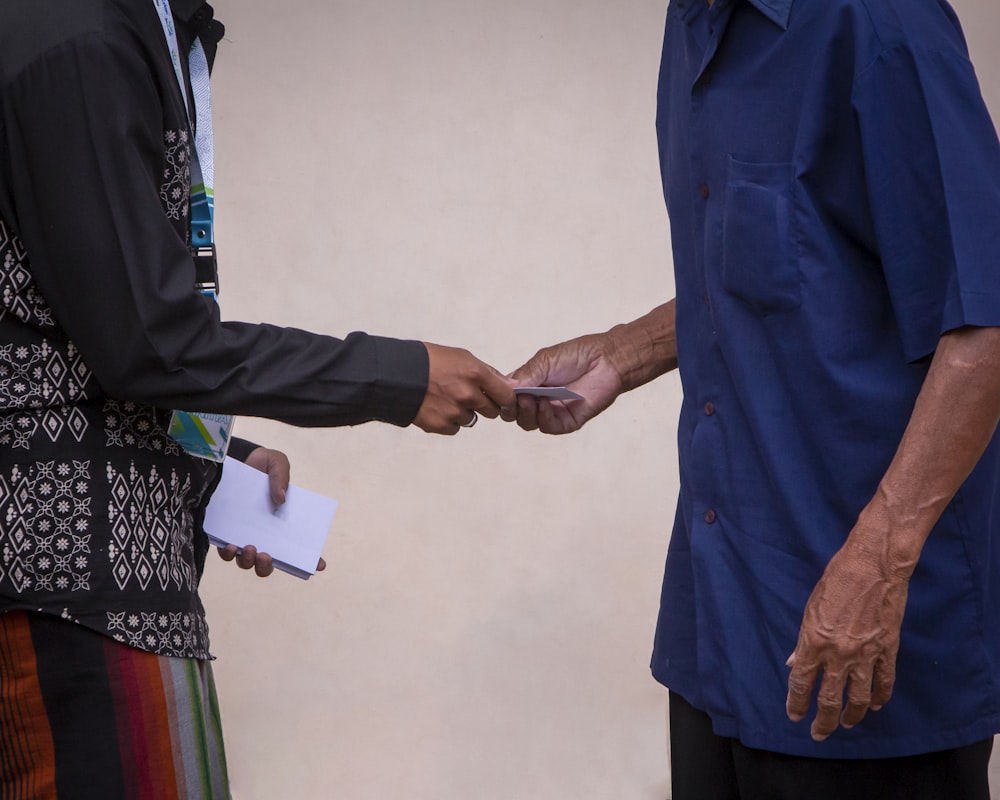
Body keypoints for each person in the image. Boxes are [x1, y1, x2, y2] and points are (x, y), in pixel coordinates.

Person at [0, 0, 515, 796]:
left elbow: (66, 329)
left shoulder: (151, 26)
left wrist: (208, 460)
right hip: (69, 586)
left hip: (105, 584)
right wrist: (396, 377)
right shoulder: (76, 30)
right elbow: (148, 338)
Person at [507, 0, 1000, 797]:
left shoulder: (884, 23)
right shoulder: (692, 23)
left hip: (867, 652)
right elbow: (795, 264)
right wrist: (622, 353)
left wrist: (877, 561)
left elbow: (985, 317)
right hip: (719, 631)